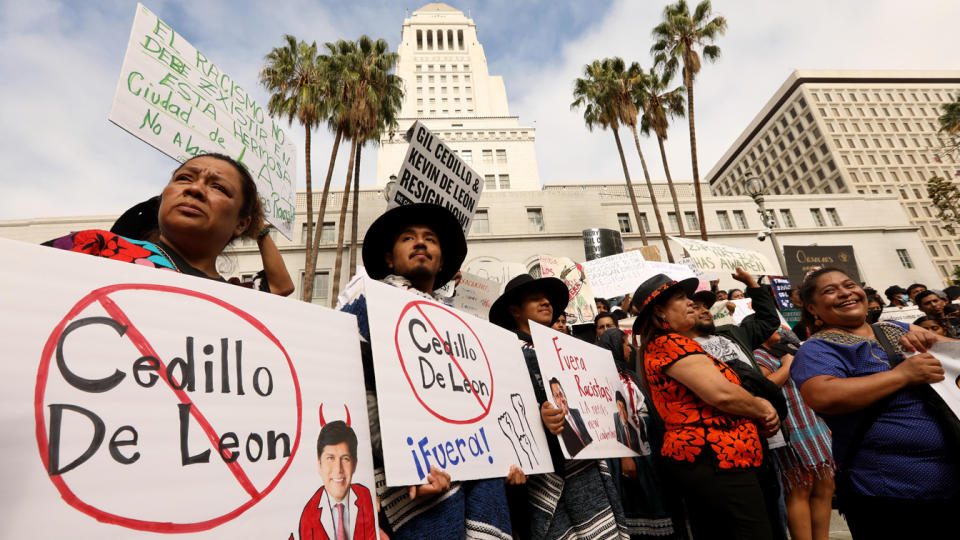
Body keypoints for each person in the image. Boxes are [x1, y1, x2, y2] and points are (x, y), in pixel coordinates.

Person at [338, 203, 514, 540]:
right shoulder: (366, 306)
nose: (421, 243)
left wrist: (507, 453)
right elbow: (356, 391)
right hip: (410, 477)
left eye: (430, 239)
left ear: (442, 259)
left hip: (470, 466)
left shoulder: (462, 327)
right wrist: (403, 461)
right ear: (389, 259)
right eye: (408, 238)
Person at [790, 267, 959, 539]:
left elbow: (956, 359)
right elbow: (822, 395)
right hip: (890, 492)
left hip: (952, 478)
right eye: (830, 291)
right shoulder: (816, 349)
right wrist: (902, 376)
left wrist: (931, 340)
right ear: (812, 307)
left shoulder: (897, 329)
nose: (845, 293)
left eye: (849, 285)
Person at [633, 273, 779, 540]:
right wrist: (762, 408)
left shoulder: (667, 344)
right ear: (659, 311)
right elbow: (721, 394)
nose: (691, 303)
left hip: (713, 461)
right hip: (716, 459)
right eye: (680, 298)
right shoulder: (669, 343)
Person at [489, 274, 627, 540]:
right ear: (515, 310)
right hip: (543, 474)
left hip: (584, 463)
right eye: (534, 299)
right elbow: (502, 410)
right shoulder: (504, 353)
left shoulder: (569, 352)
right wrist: (537, 417)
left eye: (547, 299)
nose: (545, 302)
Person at [45, 153, 269, 283]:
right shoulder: (96, 247)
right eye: (184, 178)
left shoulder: (241, 305)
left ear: (242, 223)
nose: (195, 189)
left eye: (218, 187)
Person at [108, 194, 294, 295]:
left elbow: (280, 286)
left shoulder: (224, 294)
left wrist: (259, 229)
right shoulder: (104, 261)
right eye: (162, 240)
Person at [753, 330, 835, 540]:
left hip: (814, 423)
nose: (780, 329)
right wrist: (788, 365)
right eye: (772, 327)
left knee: (825, 485)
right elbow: (765, 388)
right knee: (800, 489)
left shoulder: (792, 349)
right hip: (791, 430)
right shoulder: (759, 356)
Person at [596, 328, 676, 539]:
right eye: (623, 344)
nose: (629, 348)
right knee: (639, 496)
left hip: (648, 442)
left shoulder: (629, 375)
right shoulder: (604, 380)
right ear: (612, 348)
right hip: (629, 447)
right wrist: (626, 456)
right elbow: (613, 418)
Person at [299, 421, 376, 540]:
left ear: (355, 464)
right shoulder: (309, 514)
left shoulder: (366, 496)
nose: (338, 469)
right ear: (319, 464)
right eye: (330, 458)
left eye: (345, 459)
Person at [549, 378, 593, 457]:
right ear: (554, 400)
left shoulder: (576, 412)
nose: (561, 399)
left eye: (561, 394)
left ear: (565, 394)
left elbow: (588, 438)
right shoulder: (557, 423)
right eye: (556, 396)